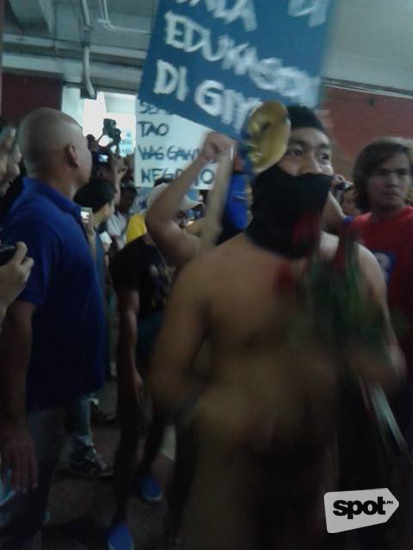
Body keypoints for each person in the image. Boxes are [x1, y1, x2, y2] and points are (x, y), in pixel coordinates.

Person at [149, 107, 404, 550]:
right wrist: (209, 411)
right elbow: (165, 377)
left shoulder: (355, 266)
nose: (314, 166)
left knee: (372, 521)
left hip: (323, 478)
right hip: (229, 478)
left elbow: (390, 360)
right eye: (296, 152)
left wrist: (373, 360)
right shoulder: (210, 273)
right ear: (258, 164)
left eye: (324, 156)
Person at [0, 107, 107, 549]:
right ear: (70, 153)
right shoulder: (37, 221)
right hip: (35, 401)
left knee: (34, 496)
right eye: (84, 144)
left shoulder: (58, 210)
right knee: (17, 513)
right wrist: (14, 422)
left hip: (52, 392)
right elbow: (15, 322)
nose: (89, 153)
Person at [106, 183, 199, 550]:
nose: (184, 218)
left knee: (161, 426)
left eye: (184, 213)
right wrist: (129, 370)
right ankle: (118, 518)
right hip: (143, 357)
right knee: (131, 435)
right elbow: (128, 316)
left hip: (171, 359)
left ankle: (146, 472)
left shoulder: (182, 255)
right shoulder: (131, 257)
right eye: (177, 212)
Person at [107, 183, 137, 253]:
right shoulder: (111, 216)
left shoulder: (130, 217)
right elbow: (114, 241)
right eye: (126, 198)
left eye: (131, 199)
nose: (129, 202)